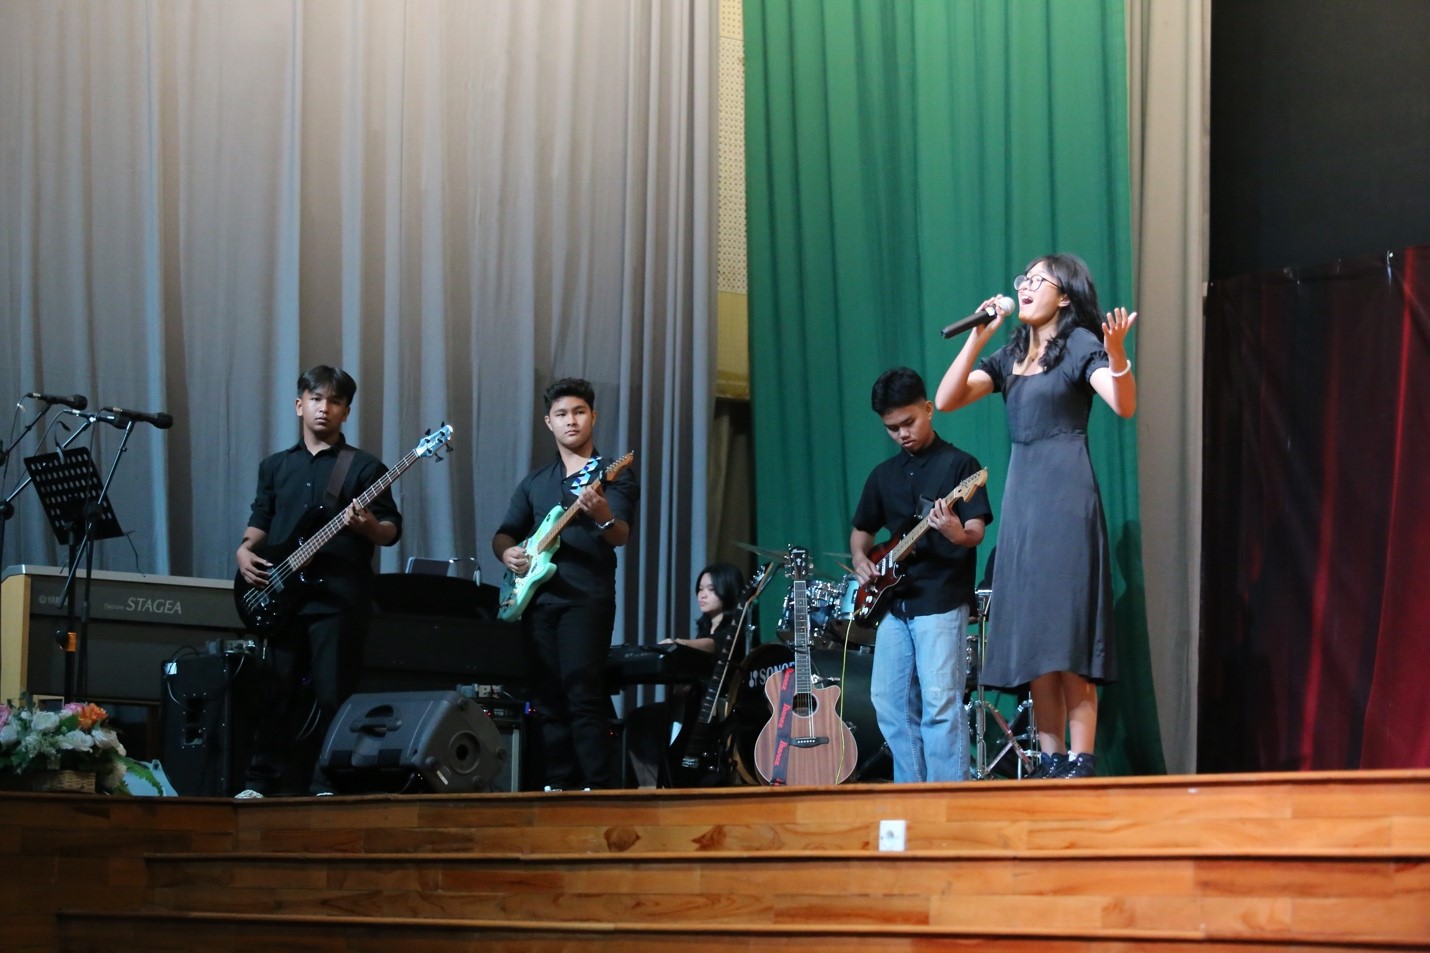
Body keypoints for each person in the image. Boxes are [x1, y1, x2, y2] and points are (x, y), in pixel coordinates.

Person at [934, 253, 1137, 779]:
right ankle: (1049, 759)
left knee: (1068, 631)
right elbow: (946, 399)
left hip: (1067, 500)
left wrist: (1117, 354)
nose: (1024, 287)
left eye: (1037, 280)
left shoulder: (1081, 345)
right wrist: (978, 335)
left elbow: (1123, 404)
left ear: (1064, 295)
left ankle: (1081, 759)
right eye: (1022, 279)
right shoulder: (1010, 354)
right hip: (1024, 503)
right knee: (1034, 636)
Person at [235, 365, 402, 796]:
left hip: (338, 600)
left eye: (334, 401)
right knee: (276, 693)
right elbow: (261, 519)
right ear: (299, 405)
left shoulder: (365, 467)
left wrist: (368, 526)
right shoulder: (275, 466)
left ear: (346, 411)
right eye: (316, 399)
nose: (324, 408)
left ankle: (329, 783)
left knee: (334, 696)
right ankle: (260, 782)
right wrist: (244, 550)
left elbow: (390, 530)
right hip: (283, 597)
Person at [492, 378, 638, 790]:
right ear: (548, 422)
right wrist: (507, 553)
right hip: (538, 601)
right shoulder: (535, 481)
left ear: (593, 416)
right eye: (561, 414)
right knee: (546, 698)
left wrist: (603, 514)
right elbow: (504, 532)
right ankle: (556, 786)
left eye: (579, 412)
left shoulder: (612, 474)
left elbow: (620, 535)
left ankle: (598, 789)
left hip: (585, 599)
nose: (571, 420)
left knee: (582, 693)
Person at [850, 367, 992, 783]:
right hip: (894, 604)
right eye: (892, 428)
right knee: (888, 701)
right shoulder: (883, 475)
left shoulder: (961, 465)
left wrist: (954, 531)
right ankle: (911, 794)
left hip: (941, 598)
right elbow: (862, 531)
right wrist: (860, 558)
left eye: (908, 422)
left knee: (940, 704)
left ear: (929, 409)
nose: (902, 434)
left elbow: (975, 532)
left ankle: (948, 799)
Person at [626, 562, 747, 788]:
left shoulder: (734, 630)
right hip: (691, 703)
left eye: (711, 589)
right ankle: (650, 784)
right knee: (639, 719)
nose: (702, 595)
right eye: (700, 589)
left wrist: (677, 643)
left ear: (727, 590)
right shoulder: (705, 629)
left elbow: (713, 645)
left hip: (714, 708)